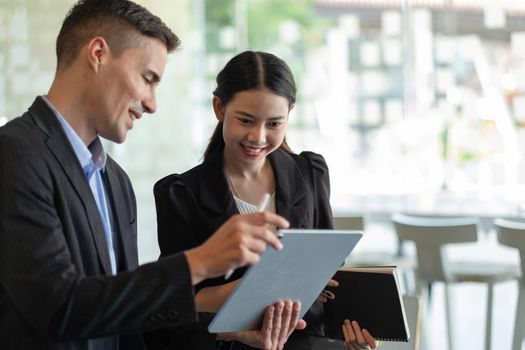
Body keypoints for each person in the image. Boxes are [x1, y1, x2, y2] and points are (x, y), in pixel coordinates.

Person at [0, 2, 305, 349]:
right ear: (98, 53)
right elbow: (57, 307)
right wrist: (200, 262)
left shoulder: (116, 182)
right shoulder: (14, 153)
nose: (151, 103)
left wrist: (227, 330)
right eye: (148, 79)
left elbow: (124, 321)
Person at [152, 51, 378, 350]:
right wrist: (256, 292)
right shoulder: (181, 194)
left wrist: (349, 339)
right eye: (246, 120)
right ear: (219, 107)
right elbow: (174, 306)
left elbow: (331, 278)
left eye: (274, 124)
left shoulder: (310, 174)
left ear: (290, 114)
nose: (258, 137)